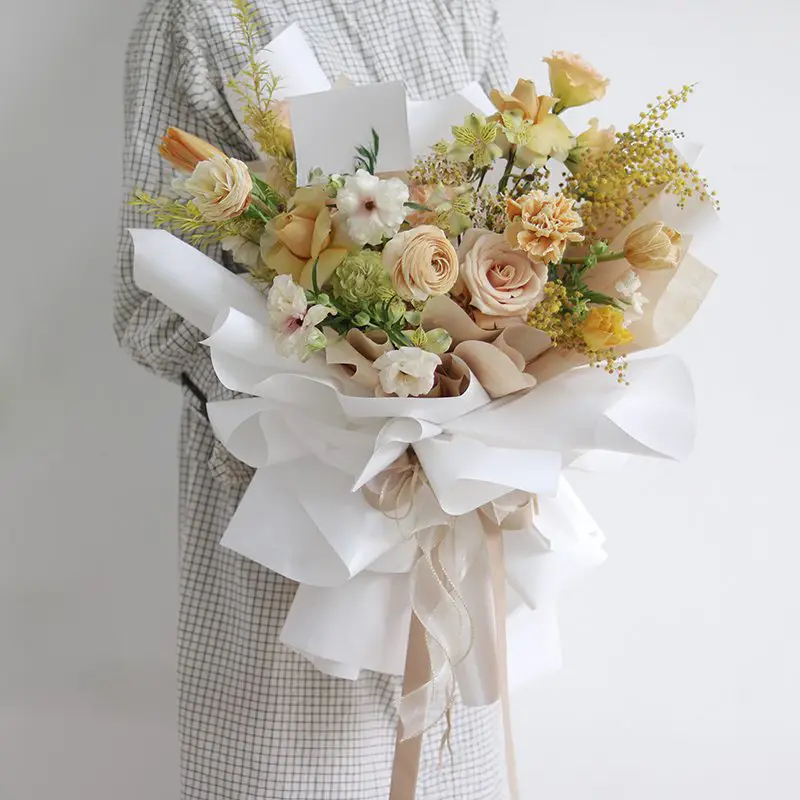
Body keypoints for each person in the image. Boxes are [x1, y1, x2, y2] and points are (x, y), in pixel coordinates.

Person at [115, 1, 510, 797]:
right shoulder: (206, 17)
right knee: (309, 773)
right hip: (289, 515)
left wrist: (467, 384)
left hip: (456, 509)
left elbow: (517, 217)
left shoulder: (464, 10)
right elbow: (152, 314)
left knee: (448, 760)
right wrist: (337, 399)